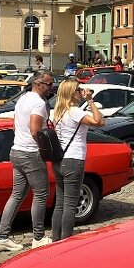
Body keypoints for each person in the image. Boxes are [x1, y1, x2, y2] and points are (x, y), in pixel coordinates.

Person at [0, 70, 54, 251]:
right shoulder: (38, 103)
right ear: (38, 83)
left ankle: (2, 236)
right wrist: (45, 148)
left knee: (17, 194)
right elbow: (35, 130)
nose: (51, 88)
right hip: (30, 152)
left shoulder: (23, 98)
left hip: (17, 150)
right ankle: (38, 237)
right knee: (41, 194)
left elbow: (15, 125)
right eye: (49, 84)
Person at [51, 79, 104, 241]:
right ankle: (65, 239)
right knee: (70, 204)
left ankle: (56, 238)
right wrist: (90, 100)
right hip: (73, 159)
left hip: (59, 160)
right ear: (71, 93)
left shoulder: (58, 112)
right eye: (78, 90)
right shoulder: (74, 112)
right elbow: (99, 121)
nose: (80, 92)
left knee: (60, 202)